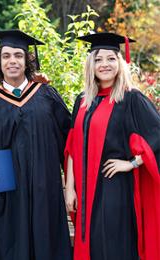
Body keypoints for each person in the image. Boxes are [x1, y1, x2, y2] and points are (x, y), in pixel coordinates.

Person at [0, 29, 72, 260]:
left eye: (18, 55)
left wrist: (73, 183)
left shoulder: (47, 95)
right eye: (6, 56)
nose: (12, 61)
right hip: (7, 196)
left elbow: (69, 143)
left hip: (45, 190)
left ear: (27, 60)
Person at [64, 32, 160, 260]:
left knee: (113, 246)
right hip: (85, 190)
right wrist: (70, 187)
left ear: (120, 62)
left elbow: (157, 135)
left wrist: (131, 163)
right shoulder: (83, 100)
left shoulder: (131, 99)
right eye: (98, 59)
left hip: (114, 188)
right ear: (91, 64)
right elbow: (72, 144)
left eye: (110, 58)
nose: (104, 64)